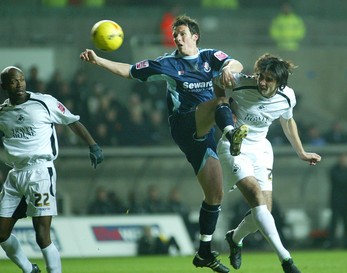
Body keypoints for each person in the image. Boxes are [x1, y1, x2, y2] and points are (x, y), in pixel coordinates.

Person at [80, 14, 248, 273]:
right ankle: (231, 132)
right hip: (183, 124)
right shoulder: (167, 64)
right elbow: (129, 71)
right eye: (175, 36)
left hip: (202, 134)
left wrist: (228, 69)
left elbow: (235, 63)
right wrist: (98, 60)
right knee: (220, 101)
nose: (177, 39)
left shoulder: (210, 57)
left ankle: (204, 252)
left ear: (195, 36)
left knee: (215, 195)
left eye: (182, 34)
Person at [216, 53, 321, 273]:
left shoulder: (287, 97)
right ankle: (287, 261)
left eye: (269, 79)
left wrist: (301, 152)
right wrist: (223, 103)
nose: (262, 82)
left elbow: (288, 120)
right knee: (256, 199)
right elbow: (217, 81)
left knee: (263, 213)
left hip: (261, 149)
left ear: (280, 83)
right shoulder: (241, 82)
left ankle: (234, 239)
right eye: (260, 76)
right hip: (234, 146)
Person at [0, 66, 103, 273]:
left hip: (40, 172)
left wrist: (93, 145)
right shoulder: (2, 112)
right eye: (13, 81)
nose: (19, 84)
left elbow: (72, 121)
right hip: (15, 175)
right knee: (1, 233)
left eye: (21, 80)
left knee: (42, 235)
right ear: (4, 86)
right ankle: (29, 269)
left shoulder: (44, 102)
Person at [326, 153, 347, 249]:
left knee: (346, 222)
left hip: (346, 201)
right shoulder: (334, 170)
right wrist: (346, 183)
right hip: (336, 201)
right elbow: (339, 180)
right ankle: (331, 243)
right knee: (334, 222)